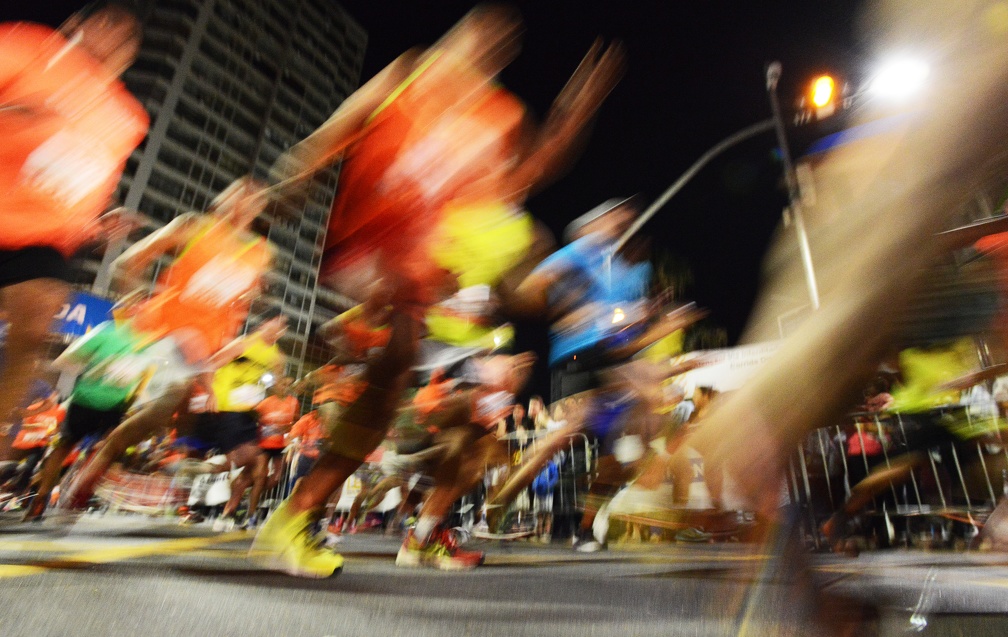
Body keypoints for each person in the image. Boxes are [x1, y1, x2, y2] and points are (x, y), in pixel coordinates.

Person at [251, 5, 624, 578]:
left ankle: (420, 533)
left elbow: (532, 168)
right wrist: (300, 169)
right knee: (392, 374)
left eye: (500, 45)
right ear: (455, 36)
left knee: (471, 437)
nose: (485, 49)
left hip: (436, 279)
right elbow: (346, 122)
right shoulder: (413, 74)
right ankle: (301, 511)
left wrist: (574, 117)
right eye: (476, 34)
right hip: (384, 250)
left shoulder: (494, 120)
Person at [57, 177, 273, 511]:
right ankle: (96, 469)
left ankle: (107, 462)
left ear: (259, 209)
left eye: (255, 197)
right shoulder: (192, 227)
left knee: (164, 418)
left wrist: (225, 337)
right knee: (162, 407)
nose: (246, 201)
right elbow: (127, 263)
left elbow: (238, 303)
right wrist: (139, 305)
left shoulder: (259, 254)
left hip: (199, 349)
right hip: (166, 333)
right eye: (240, 192)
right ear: (222, 198)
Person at [0, 5, 148, 454]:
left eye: (126, 40)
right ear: (75, 25)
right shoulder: (27, 46)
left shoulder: (127, 117)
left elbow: (93, 177)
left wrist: (97, 223)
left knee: (33, 330)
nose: (112, 41)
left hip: (43, 238)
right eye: (104, 25)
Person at [24, 312, 153, 521]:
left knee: (62, 448)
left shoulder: (107, 332)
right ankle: (80, 494)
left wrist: (91, 368)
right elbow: (142, 383)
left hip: (84, 401)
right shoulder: (146, 344)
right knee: (110, 451)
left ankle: (41, 499)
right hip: (115, 406)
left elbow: (65, 360)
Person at [208, 315, 288, 530]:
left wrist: (282, 387)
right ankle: (202, 470)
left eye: (282, 327)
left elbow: (278, 383)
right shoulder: (243, 344)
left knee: (255, 467)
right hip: (227, 407)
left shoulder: (277, 357)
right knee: (246, 459)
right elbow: (210, 365)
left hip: (250, 414)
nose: (278, 329)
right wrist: (211, 393)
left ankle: (228, 512)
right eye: (275, 323)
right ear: (264, 323)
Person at [255, 376, 299, 495]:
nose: (286, 388)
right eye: (284, 384)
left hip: (280, 445)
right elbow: (255, 421)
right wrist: (267, 428)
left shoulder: (294, 402)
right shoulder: (265, 403)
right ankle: (252, 506)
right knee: (260, 476)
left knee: (277, 478)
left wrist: (287, 428)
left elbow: (295, 421)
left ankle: (257, 494)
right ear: (277, 386)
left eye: (289, 385)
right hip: (264, 444)